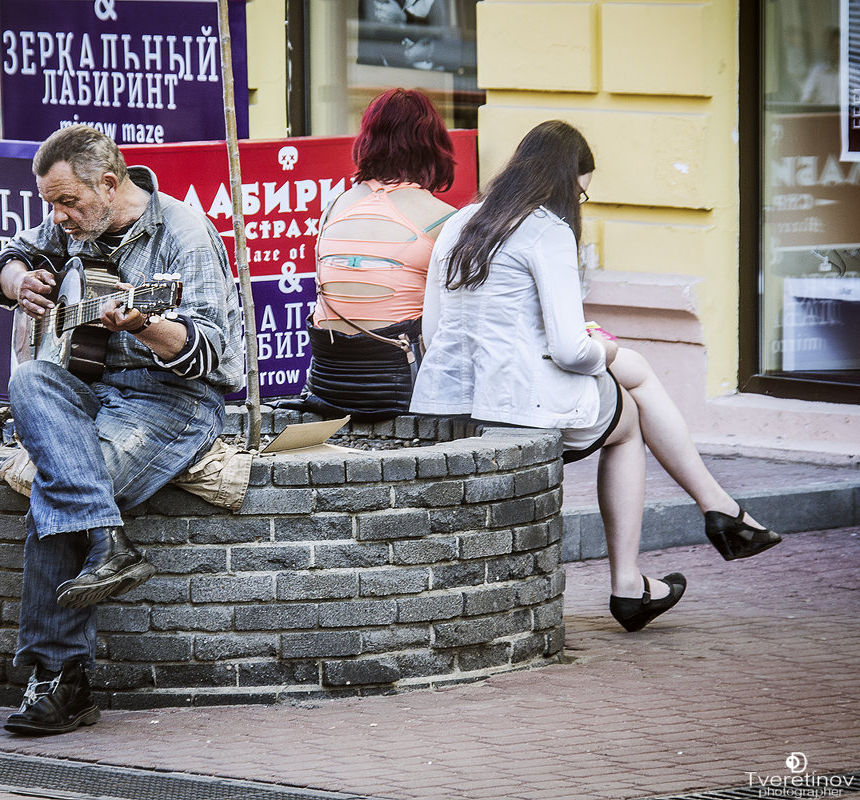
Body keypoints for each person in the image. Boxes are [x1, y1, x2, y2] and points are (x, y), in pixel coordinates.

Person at [411, 120, 781, 633]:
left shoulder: (461, 221)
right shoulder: (546, 229)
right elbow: (569, 349)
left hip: (447, 398)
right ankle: (638, 576)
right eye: (581, 192)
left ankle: (720, 510)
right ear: (566, 182)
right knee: (628, 418)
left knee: (636, 373)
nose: (580, 205)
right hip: (516, 403)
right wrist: (600, 348)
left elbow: (434, 327)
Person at [0, 124, 244, 734]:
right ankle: (108, 540)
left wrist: (144, 325)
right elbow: (11, 255)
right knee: (28, 384)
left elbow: (216, 352)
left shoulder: (183, 233)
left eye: (67, 203)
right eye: (49, 204)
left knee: (69, 479)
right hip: (93, 388)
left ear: (109, 184)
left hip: (172, 399)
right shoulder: (71, 221)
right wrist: (17, 282)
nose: (57, 216)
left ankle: (58, 679)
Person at [283, 88, 457, 420]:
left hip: (327, 383)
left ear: (367, 142)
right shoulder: (445, 218)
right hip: (398, 387)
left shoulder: (334, 206)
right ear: (433, 145)